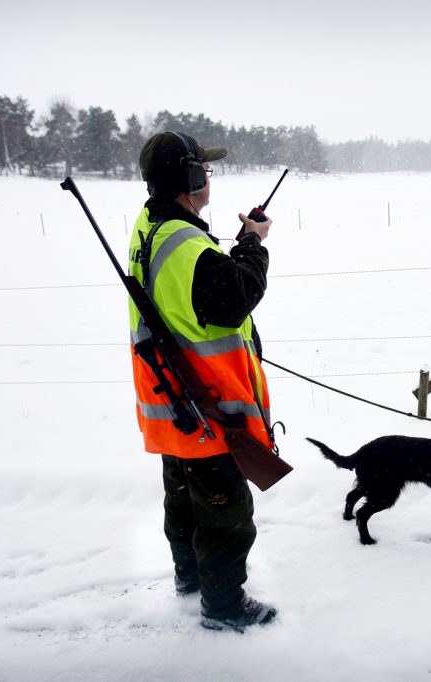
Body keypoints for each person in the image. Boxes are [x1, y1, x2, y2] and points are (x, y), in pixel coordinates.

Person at [129, 131, 276, 632]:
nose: (209, 179)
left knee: (184, 503)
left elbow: (198, 291)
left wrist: (235, 246)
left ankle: (190, 582)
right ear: (189, 177)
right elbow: (237, 295)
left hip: (170, 403)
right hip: (207, 405)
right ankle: (224, 609)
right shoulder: (187, 242)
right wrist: (253, 244)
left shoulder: (151, 227)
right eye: (204, 171)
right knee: (225, 518)